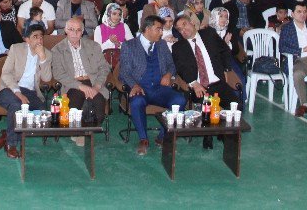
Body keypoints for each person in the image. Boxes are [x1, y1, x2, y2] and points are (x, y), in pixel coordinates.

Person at [172, 14, 248, 145]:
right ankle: (208, 135)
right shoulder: (178, 47)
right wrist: (193, 83)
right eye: (179, 29)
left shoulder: (208, 34)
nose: (183, 30)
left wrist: (226, 69)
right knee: (207, 106)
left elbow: (224, 51)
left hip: (217, 82)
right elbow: (181, 69)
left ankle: (224, 133)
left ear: (192, 23)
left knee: (236, 104)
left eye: (184, 25)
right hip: (201, 87)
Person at [118, 15, 186, 156]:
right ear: (147, 29)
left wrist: (168, 75)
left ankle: (162, 137)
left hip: (159, 89)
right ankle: (143, 139)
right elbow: (124, 72)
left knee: (180, 100)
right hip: (140, 88)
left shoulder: (161, 45)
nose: (162, 32)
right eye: (158, 29)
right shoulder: (129, 46)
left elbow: (171, 65)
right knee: (137, 102)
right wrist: (134, 85)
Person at [0, 23, 52, 158]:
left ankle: (7, 134)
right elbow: (6, 73)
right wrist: (17, 92)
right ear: (26, 39)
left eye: (41, 37)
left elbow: (47, 78)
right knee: (18, 105)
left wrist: (42, 58)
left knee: (43, 113)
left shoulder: (47, 54)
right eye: (35, 37)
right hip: (9, 88)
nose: (39, 40)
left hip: (31, 92)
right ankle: (11, 145)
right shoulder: (16, 49)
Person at [51, 16, 112, 145]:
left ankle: (87, 131)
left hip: (93, 81)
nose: (75, 33)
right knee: (75, 104)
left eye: (78, 30)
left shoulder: (93, 46)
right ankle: (77, 132)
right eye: (71, 29)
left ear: (83, 32)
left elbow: (104, 67)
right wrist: (80, 86)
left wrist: (96, 86)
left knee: (99, 105)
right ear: (65, 31)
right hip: (72, 84)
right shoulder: (57, 49)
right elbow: (58, 73)